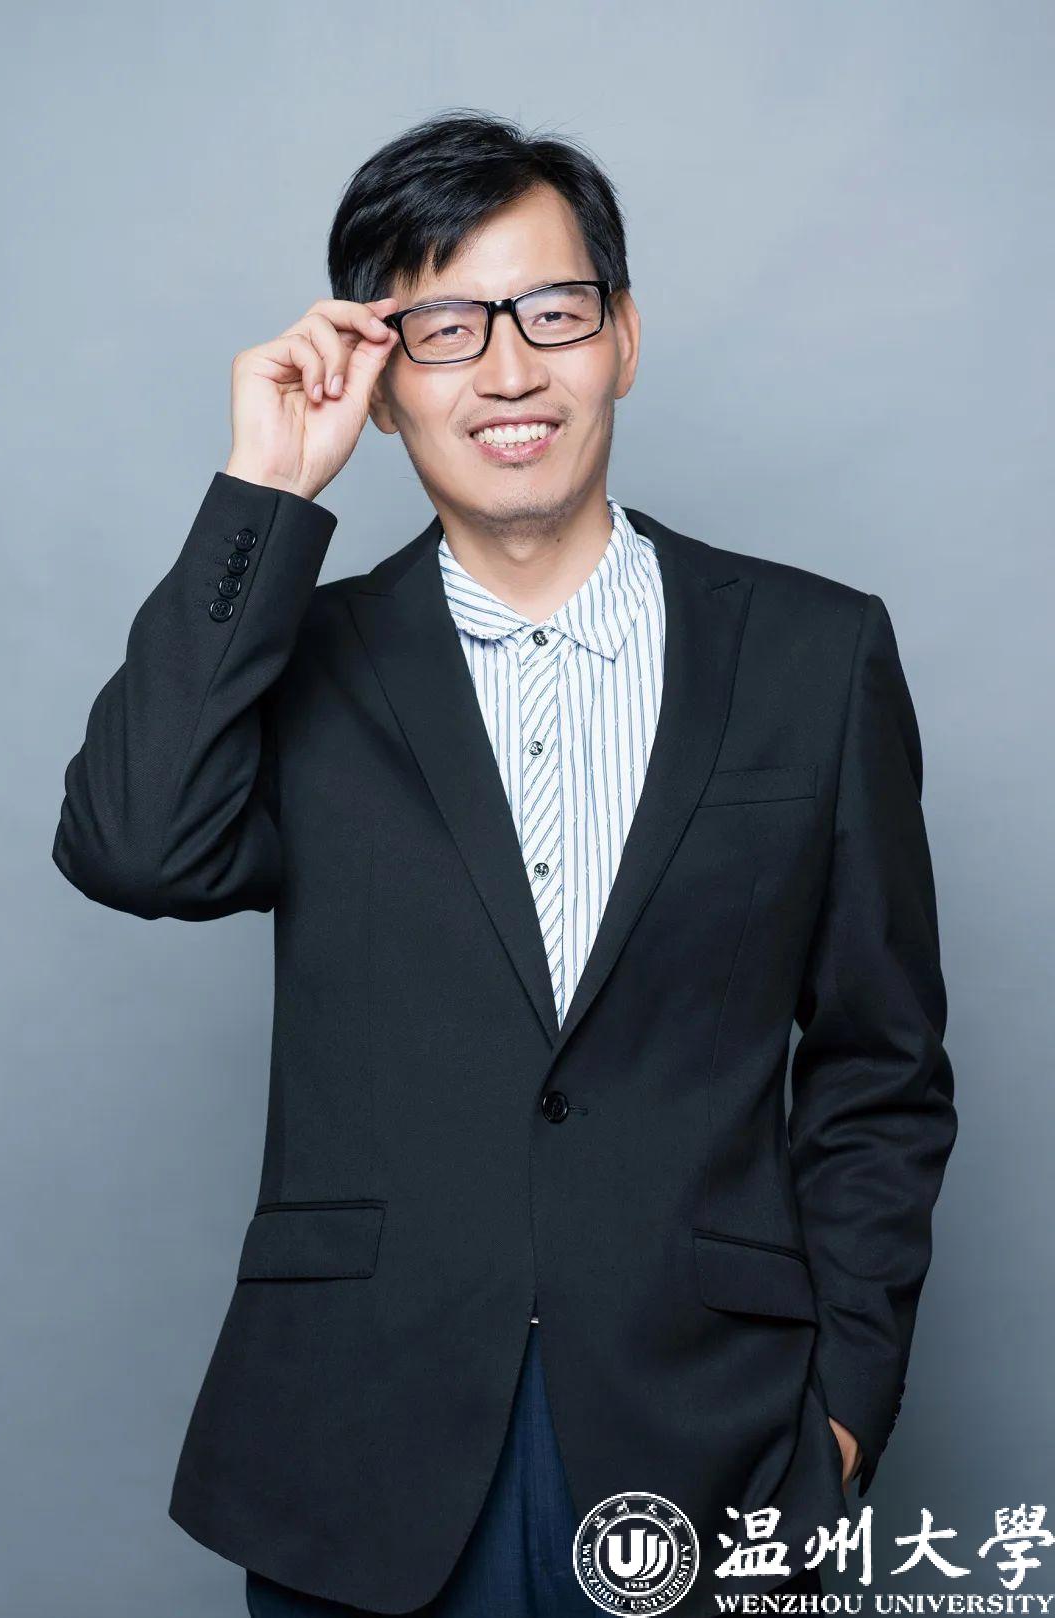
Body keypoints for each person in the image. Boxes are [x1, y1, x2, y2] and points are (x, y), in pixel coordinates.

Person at [51, 110, 957, 1617]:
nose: (511, 370)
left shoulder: (815, 651)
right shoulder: (307, 661)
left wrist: (846, 1408)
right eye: (447, 329)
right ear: (380, 381)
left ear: (624, 338)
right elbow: (133, 845)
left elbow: (883, 1066)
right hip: (362, 1447)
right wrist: (265, 492)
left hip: (713, 1440)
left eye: (554, 313)